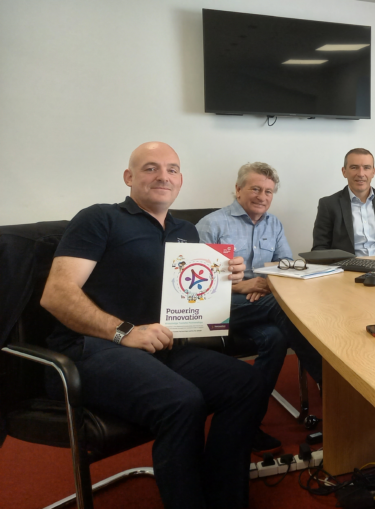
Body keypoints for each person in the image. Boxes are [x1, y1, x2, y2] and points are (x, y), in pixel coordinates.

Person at [40, 142, 266, 509]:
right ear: (129, 177)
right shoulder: (100, 218)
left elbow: (192, 302)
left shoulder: (187, 232)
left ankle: (224, 495)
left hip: (161, 345)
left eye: (172, 169)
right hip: (91, 348)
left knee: (247, 382)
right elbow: (57, 293)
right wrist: (125, 331)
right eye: (150, 168)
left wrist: (227, 279)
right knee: (182, 401)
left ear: (180, 181)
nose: (163, 176)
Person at [196, 162, 323, 451]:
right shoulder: (211, 224)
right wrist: (244, 286)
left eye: (268, 191)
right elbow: (197, 282)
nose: (262, 196)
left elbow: (285, 267)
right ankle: (328, 381)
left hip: (262, 300)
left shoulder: (273, 224)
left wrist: (264, 284)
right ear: (238, 189)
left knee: (276, 338)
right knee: (281, 307)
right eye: (255, 188)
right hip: (218, 305)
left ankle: (247, 423)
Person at [312, 148, 375, 255]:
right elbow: (320, 248)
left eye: (366, 168)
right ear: (344, 171)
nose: (361, 174)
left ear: (373, 172)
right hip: (348, 268)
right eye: (354, 167)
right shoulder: (328, 204)